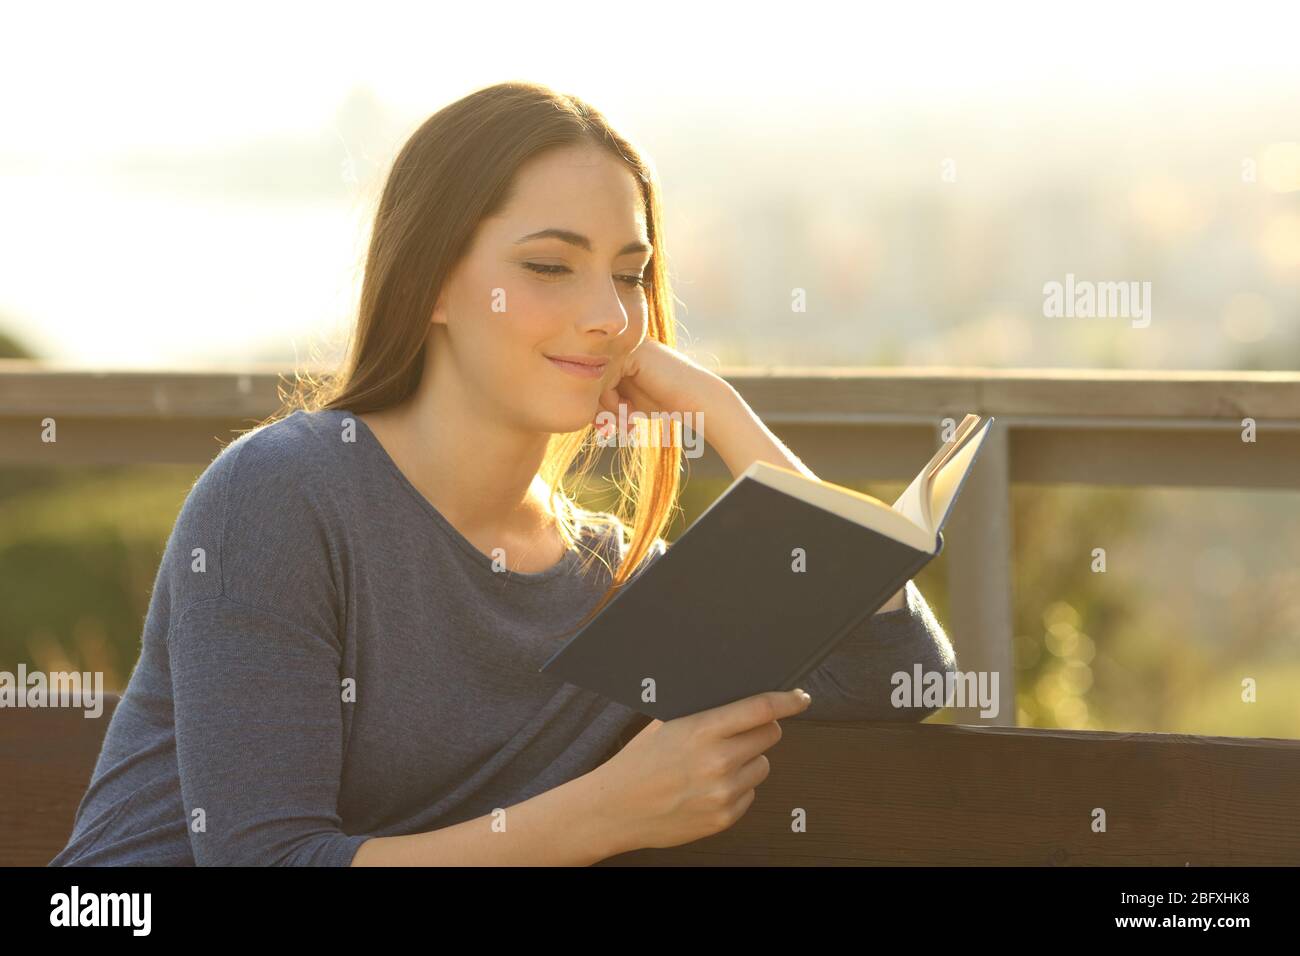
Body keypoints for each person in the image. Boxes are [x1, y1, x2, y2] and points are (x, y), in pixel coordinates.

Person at [50, 81, 956, 867]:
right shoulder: (280, 499)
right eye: (549, 266)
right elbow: (260, 860)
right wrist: (602, 815)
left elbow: (896, 669)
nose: (607, 315)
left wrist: (724, 414)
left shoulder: (610, 581)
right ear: (434, 284)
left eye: (631, 276)